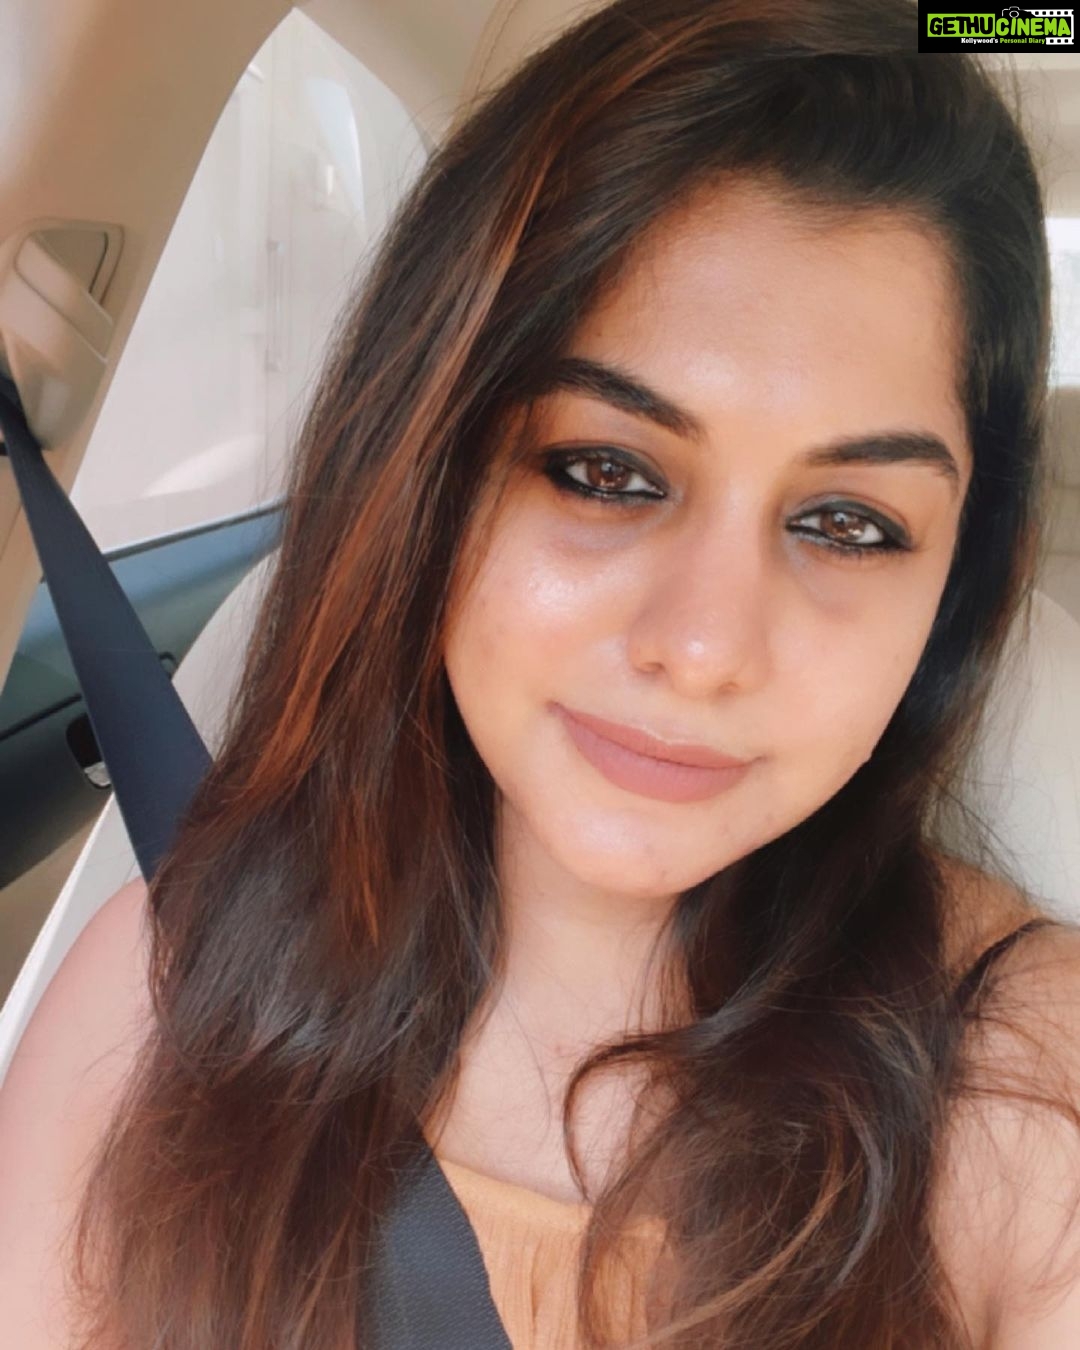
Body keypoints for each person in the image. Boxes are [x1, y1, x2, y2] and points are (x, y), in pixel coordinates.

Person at [2, 0, 1080, 1345]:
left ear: (952, 583)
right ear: (429, 469)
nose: (704, 647)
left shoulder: (1027, 1095)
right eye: (605, 470)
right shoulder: (162, 989)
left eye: (848, 523)